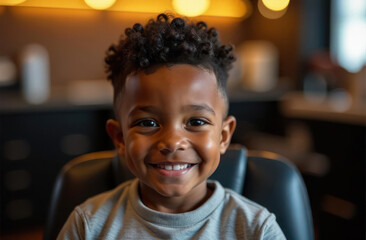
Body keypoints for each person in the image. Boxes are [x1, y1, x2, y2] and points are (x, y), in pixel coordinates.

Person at [57, 13, 286, 240]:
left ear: (223, 136)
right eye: (148, 123)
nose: (173, 142)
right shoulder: (87, 227)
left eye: (196, 122)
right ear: (119, 138)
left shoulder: (257, 230)